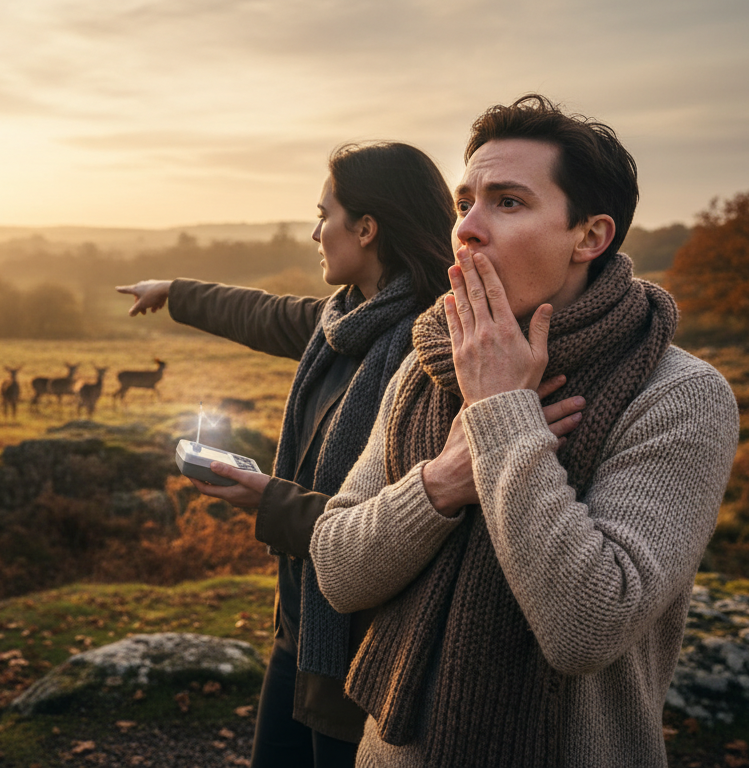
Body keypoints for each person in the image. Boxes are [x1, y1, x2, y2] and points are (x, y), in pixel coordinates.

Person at [118, 142, 587, 768]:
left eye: (323, 215)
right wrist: (173, 291)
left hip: (367, 647)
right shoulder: (344, 324)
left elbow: (411, 517)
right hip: (304, 621)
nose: (315, 232)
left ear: (365, 229)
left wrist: (268, 500)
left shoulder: (439, 352)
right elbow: (261, 313)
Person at [310, 94, 739, 768]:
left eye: (508, 202)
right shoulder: (431, 364)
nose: (468, 229)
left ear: (589, 237)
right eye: (464, 203)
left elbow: (587, 628)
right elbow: (335, 568)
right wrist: (444, 482)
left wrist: (500, 410)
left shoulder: (679, 393)